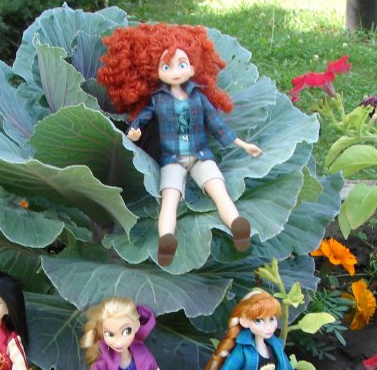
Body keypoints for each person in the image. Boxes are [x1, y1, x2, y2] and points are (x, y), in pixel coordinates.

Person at [97, 23, 262, 267]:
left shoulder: (198, 97)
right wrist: (134, 134)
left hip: (201, 155)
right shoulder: (157, 100)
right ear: (153, 71)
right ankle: (167, 241)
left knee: (219, 191)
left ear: (194, 66)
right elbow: (141, 120)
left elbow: (217, 125)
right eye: (166, 66)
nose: (175, 72)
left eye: (182, 64)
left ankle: (237, 226)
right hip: (172, 160)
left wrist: (243, 144)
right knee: (170, 200)